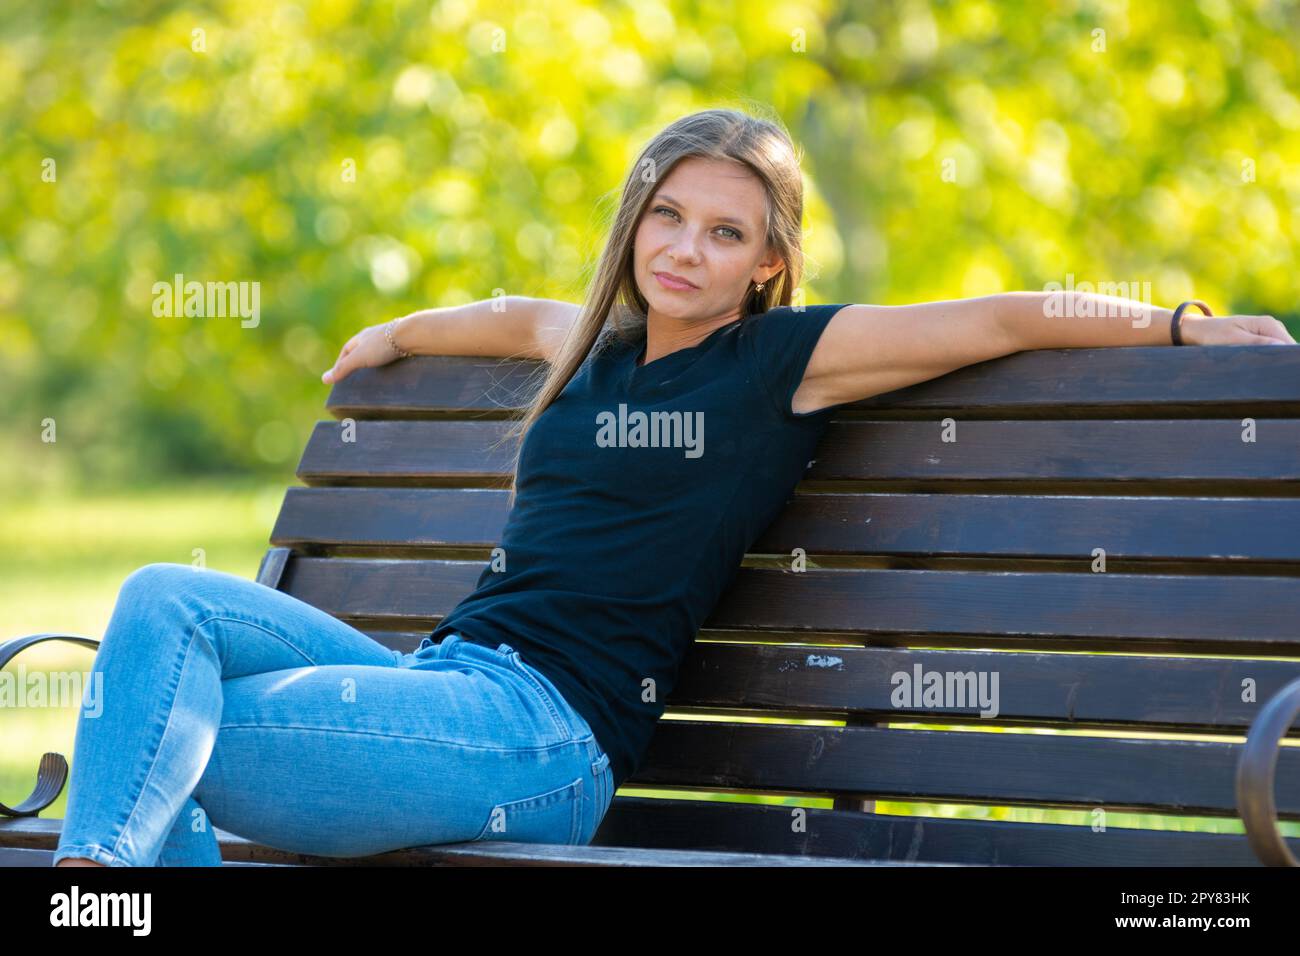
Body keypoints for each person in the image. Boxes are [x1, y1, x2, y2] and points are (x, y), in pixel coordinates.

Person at [54, 107, 1295, 866]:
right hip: (444, 683)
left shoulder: (783, 364)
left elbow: (1002, 313)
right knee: (166, 603)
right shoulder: (591, 345)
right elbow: (505, 316)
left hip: (543, 738)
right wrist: (391, 332)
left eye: (725, 232)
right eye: (669, 215)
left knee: (156, 727)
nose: (685, 249)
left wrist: (1177, 324)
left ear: (766, 265)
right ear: (635, 221)